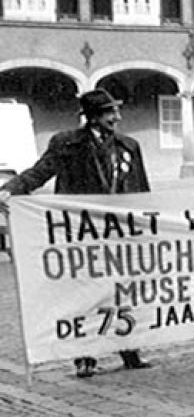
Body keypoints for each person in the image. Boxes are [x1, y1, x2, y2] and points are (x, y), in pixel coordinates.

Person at [0, 89, 151, 378]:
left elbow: (142, 189)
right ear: (92, 116)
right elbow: (40, 172)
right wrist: (10, 189)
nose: (116, 118)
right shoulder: (67, 144)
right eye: (109, 112)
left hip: (119, 233)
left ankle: (130, 349)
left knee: (122, 291)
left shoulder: (129, 146)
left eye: (116, 112)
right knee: (84, 293)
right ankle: (84, 356)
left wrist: (146, 223)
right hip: (81, 233)